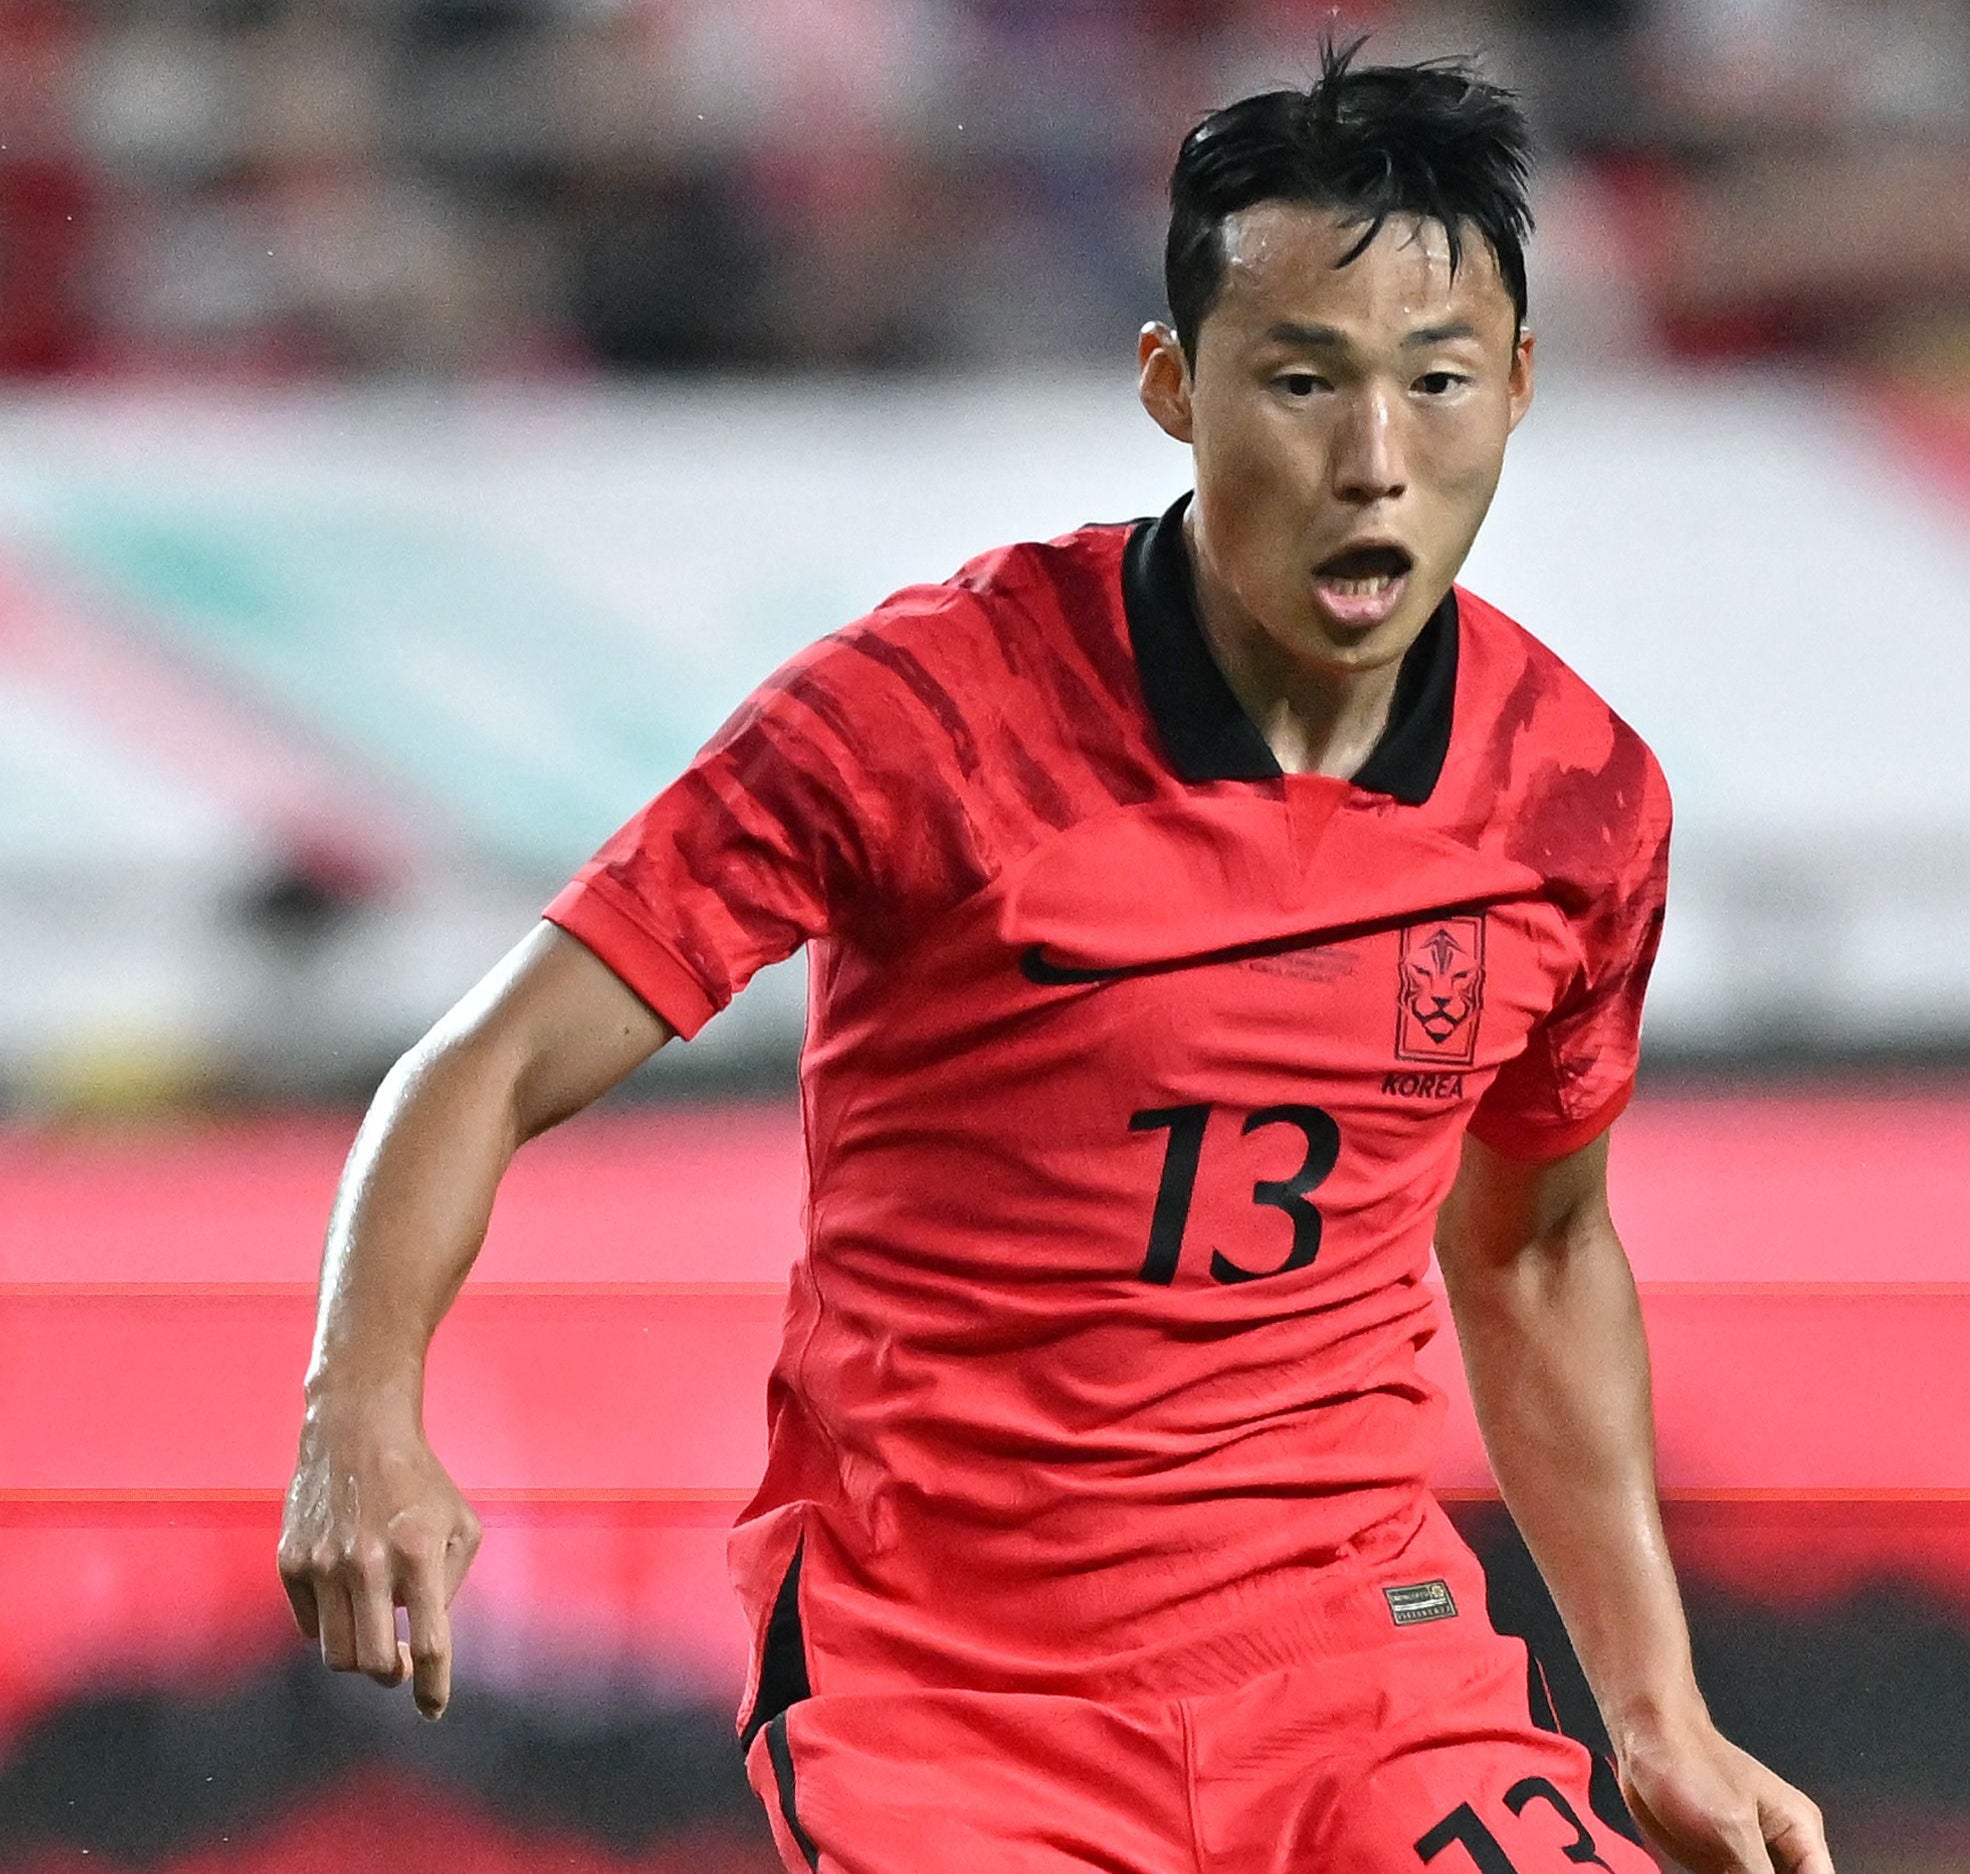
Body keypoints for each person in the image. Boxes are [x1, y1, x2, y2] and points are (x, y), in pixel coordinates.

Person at [277, 43, 1834, 1874]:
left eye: (1435, 384)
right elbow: (485, 1063)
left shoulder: (1573, 799)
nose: (1372, 464)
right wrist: (358, 1410)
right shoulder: (925, 716)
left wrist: (1656, 1711)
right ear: (1174, 385)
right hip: (952, 1684)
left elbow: (1542, 1245)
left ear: (1517, 387)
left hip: (1355, 1661)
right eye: (1301, 381)